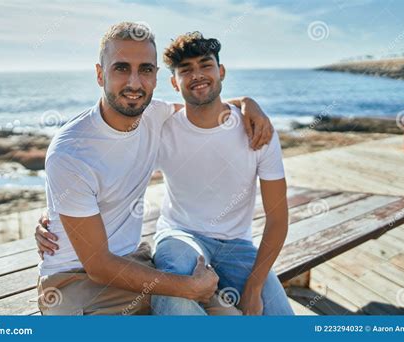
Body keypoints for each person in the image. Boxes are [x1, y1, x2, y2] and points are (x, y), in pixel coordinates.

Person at [36, 22, 274, 316]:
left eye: (145, 69)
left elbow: (202, 106)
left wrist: (248, 103)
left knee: (230, 316)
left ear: (156, 77)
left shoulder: (153, 114)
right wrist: (188, 288)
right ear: (100, 74)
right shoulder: (71, 152)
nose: (135, 83)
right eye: (121, 68)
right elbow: (98, 265)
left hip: (133, 264)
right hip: (75, 281)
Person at [150, 32, 294, 315]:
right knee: (176, 290)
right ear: (173, 82)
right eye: (186, 70)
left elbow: (278, 218)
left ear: (221, 71)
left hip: (237, 245)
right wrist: (54, 216)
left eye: (206, 65)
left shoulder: (258, 130)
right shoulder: (162, 129)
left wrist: (253, 288)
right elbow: (112, 172)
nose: (197, 75)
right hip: (180, 236)